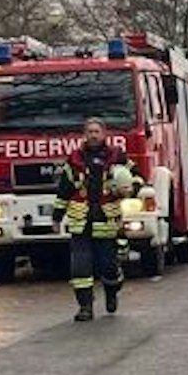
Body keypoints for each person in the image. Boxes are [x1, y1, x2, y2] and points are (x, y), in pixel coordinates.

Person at [54, 118, 132, 322]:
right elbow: (64, 190)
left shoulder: (117, 157)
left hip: (106, 222)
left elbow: (138, 178)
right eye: (90, 131)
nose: (93, 135)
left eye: (97, 131)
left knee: (109, 267)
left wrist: (131, 189)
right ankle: (85, 307)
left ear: (104, 134)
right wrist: (56, 217)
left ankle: (112, 290)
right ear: (84, 134)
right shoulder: (74, 160)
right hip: (81, 223)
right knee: (80, 268)